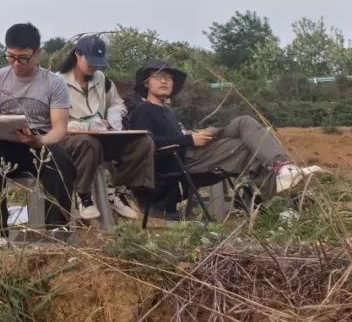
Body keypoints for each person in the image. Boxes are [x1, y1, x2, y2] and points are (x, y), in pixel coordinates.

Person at [126, 62, 320, 219]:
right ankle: (283, 195)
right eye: (158, 77)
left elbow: (174, 135)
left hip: (194, 150)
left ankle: (282, 170)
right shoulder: (142, 111)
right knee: (246, 148)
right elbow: (146, 144)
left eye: (168, 78)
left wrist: (194, 134)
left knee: (244, 123)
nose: (164, 81)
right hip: (182, 160)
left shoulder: (167, 111)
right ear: (146, 83)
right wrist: (189, 140)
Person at [0, 23, 77, 236]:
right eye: (10, 57)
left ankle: (57, 230)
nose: (16, 63)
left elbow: (59, 129)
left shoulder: (54, 83)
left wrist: (40, 141)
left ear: (38, 53)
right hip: (5, 145)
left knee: (61, 162)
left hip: (41, 144)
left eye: (23, 58)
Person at [57, 36, 153, 221]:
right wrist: (87, 125)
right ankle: (83, 194)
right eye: (90, 61)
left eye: (98, 63)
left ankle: (117, 189)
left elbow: (117, 103)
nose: (94, 67)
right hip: (70, 138)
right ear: (77, 54)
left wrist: (112, 118)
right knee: (89, 142)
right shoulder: (57, 81)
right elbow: (51, 120)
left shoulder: (101, 79)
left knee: (143, 142)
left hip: (101, 135)